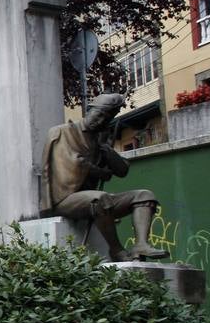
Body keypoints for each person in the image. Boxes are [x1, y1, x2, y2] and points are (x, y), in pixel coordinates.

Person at [42, 93, 169, 262]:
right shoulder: (62, 132)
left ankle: (141, 245)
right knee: (101, 198)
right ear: (89, 110)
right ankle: (116, 250)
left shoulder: (99, 142)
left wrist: (106, 151)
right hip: (65, 199)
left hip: (92, 201)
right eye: (99, 114)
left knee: (144, 196)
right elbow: (70, 166)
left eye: (107, 118)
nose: (101, 120)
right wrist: (100, 172)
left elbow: (122, 170)